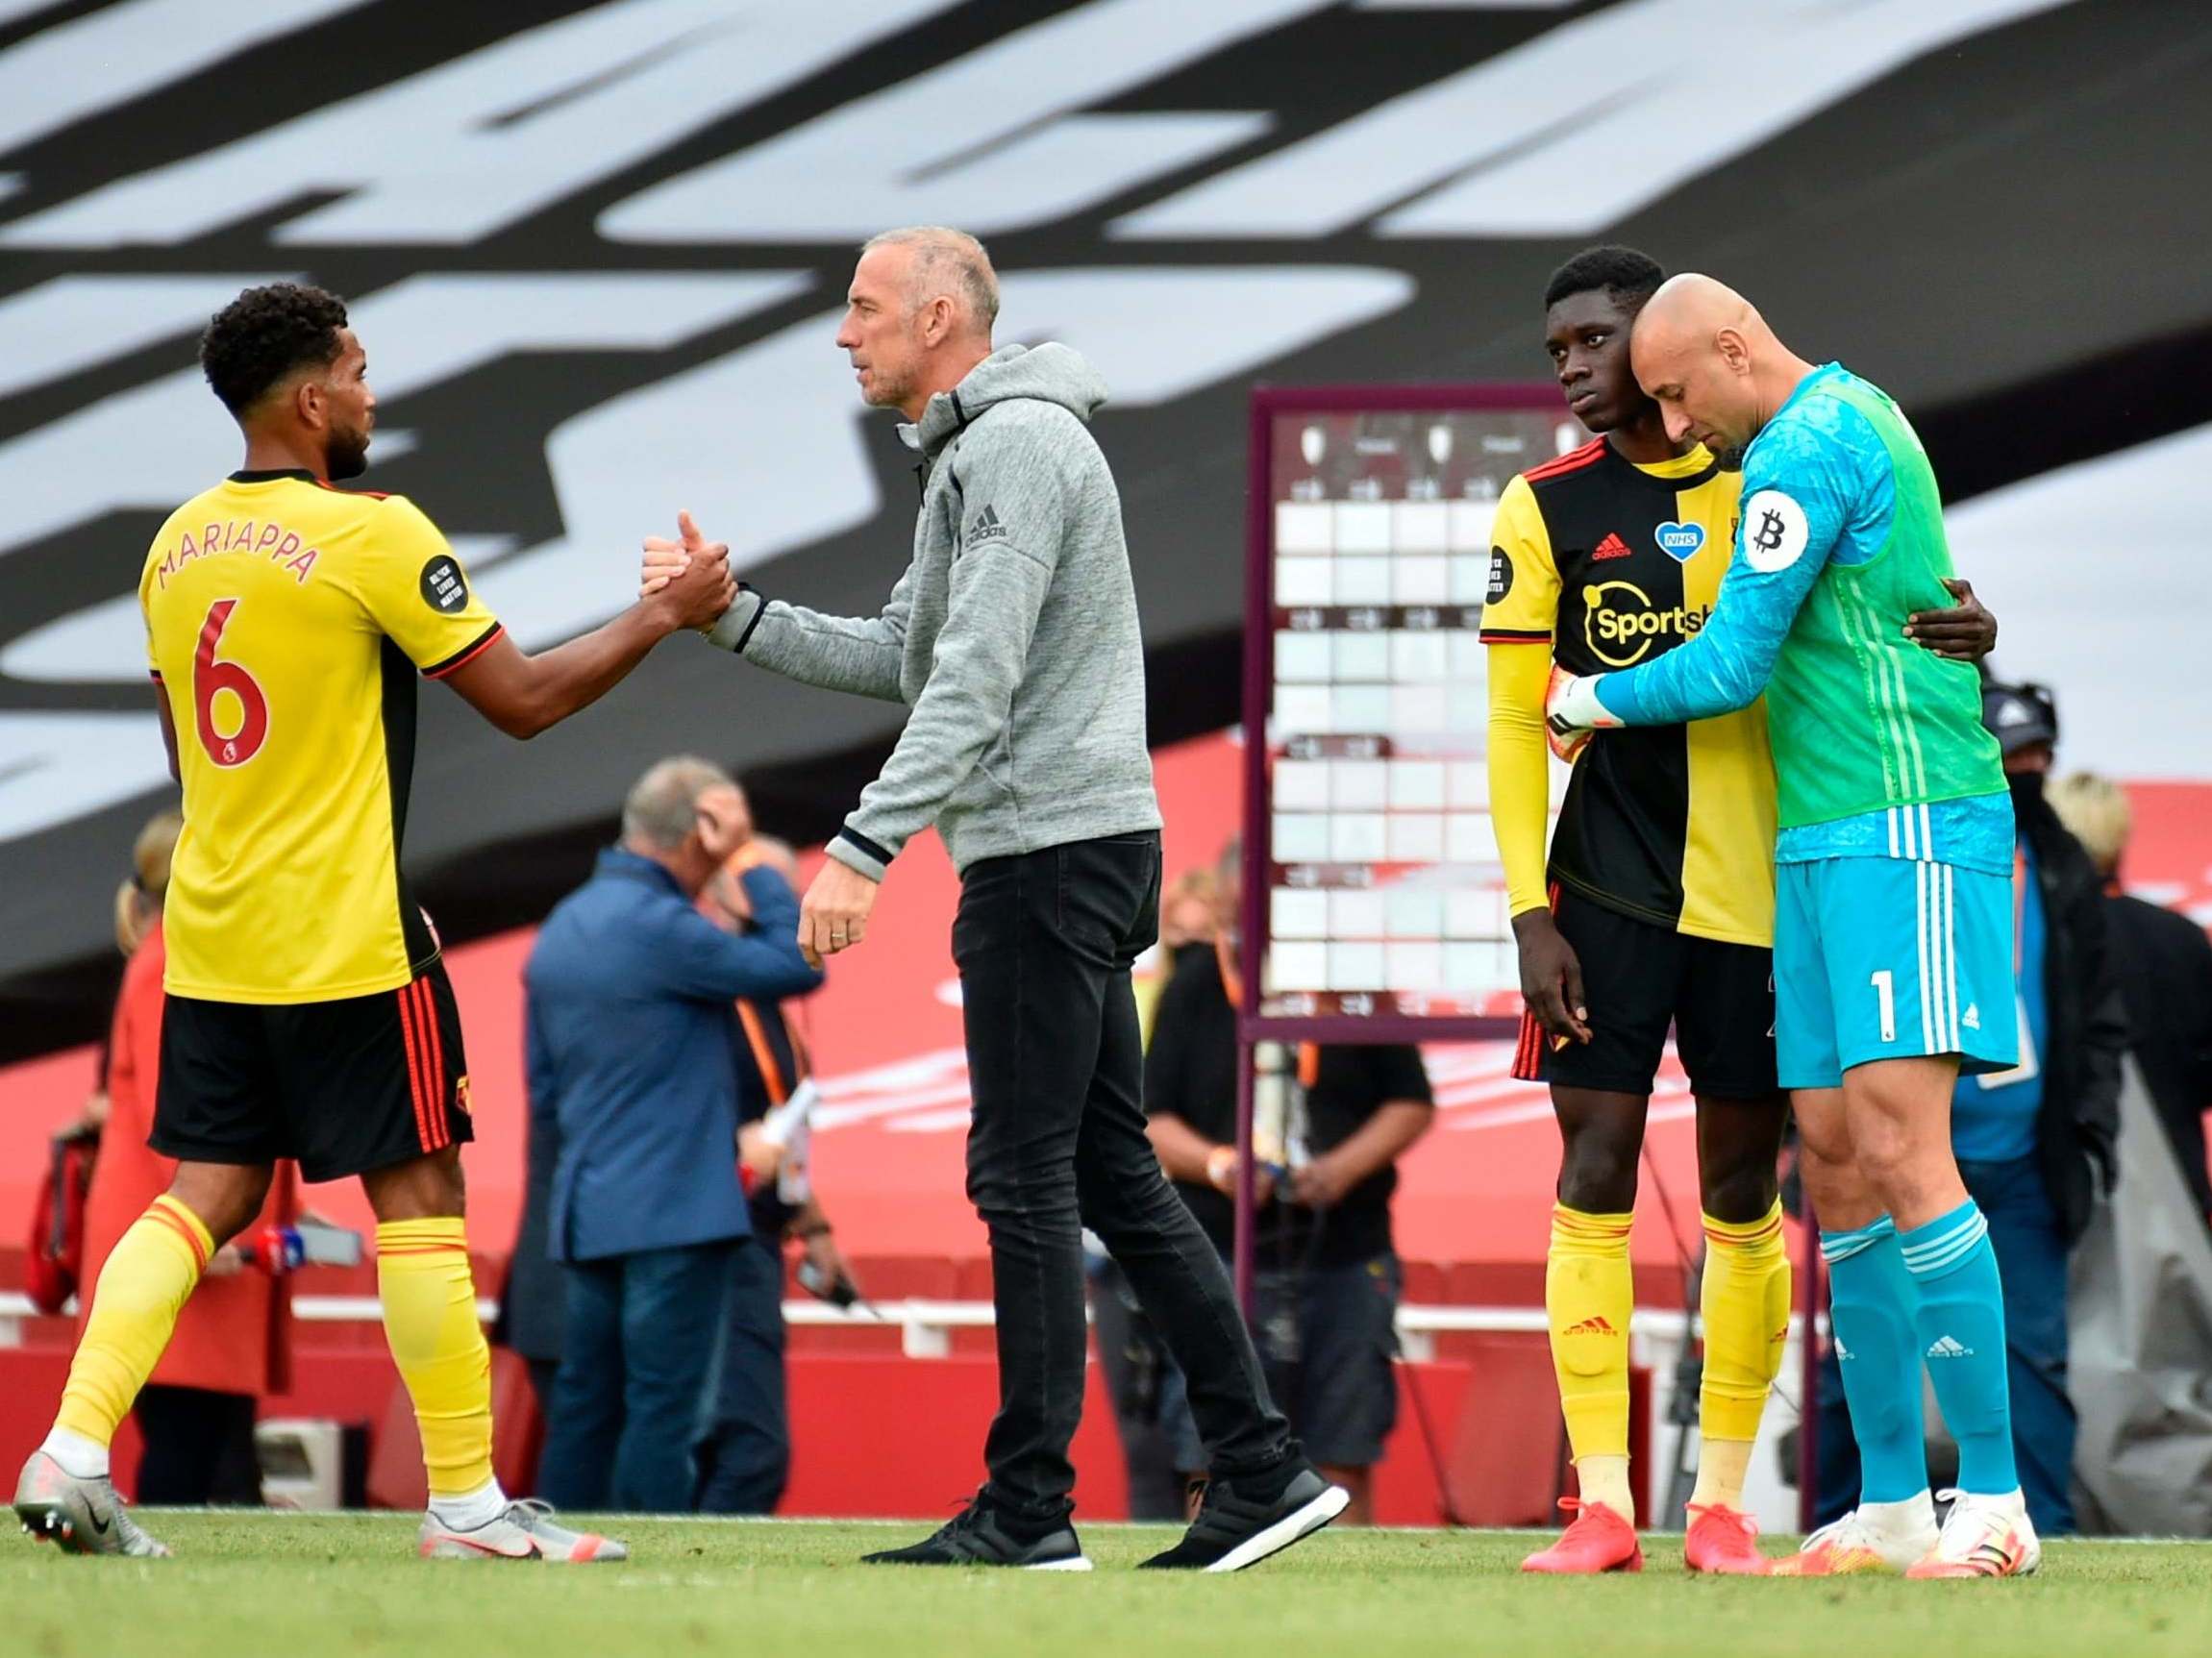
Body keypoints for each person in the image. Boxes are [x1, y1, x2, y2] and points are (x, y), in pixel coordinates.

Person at [642, 226, 1340, 1571]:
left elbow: (971, 680)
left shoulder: (1013, 447)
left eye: (862, 309)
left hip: (1046, 854)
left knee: (1020, 1176)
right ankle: (1261, 1466)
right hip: (1074, 844)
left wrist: (860, 845)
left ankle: (1030, 1510)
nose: (844, 335)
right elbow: (907, 656)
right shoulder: (977, 450)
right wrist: (728, 615)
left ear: (941, 314)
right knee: (1107, 1176)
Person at [12, 281, 735, 1562]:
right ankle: (464, 1503)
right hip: (347, 932)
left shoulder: (174, 546)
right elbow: (519, 697)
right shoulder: (373, 532)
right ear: (309, 398)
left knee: (205, 1193)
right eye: (355, 367)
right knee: (421, 1187)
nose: (370, 389)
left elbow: (192, 760)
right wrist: (665, 614)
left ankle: (68, 1449)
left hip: (219, 935)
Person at [1482, 247, 1997, 1574]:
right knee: (1670, 1167)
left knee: (1784, 1178)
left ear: (1693, 349)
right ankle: (1618, 1503)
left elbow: (1812, 630)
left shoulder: (1775, 455)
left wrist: (1977, 627)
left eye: (1610, 351)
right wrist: (1525, 903)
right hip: (1629, 877)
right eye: (1565, 358)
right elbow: (1502, 717)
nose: (1598, 386)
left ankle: (1755, 1504)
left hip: (1797, 867)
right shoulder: (1543, 507)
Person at [1812, 679, 2124, 1537]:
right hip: (1903, 1139)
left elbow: (2098, 1013)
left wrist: (2090, 1133)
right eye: (2008, 752)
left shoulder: (2057, 861)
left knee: (2032, 1356)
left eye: (2036, 758)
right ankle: (1861, 1511)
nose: (2022, 770)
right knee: (1859, 1349)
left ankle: (2029, 1520)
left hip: (2022, 1155)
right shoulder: (1897, 835)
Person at [528, 758, 821, 1513]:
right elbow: (795, 961)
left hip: (586, 1209)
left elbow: (545, 1093)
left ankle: (561, 1561)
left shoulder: (563, 926)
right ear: (701, 834)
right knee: (664, 1411)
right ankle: (642, 1567)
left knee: (588, 1405)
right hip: (678, 1215)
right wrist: (750, 860)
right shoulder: (662, 926)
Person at [1144, 841, 1434, 1526]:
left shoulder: (1351, 976)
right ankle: (1207, 1558)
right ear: (1219, 903)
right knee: (1207, 1444)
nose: (1256, 925)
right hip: (1218, 1246)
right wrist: (1220, 1164)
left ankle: (1354, 1592)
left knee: (1343, 1441)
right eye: (1241, 909)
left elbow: (1409, 1100)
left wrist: (1340, 1168)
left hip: (1343, 1245)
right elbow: (1149, 1117)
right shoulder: (1192, 984)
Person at [81, 809, 300, 1505]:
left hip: (197, 1234)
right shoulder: (174, 960)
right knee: (187, 1438)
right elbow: (166, 1115)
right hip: (190, 1237)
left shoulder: (179, 953)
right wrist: (207, 1227)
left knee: (208, 1436)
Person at [692, 831, 851, 1516]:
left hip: (755, 1231)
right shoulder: (702, 986)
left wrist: (814, 1228)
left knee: (740, 1440)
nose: (790, 908)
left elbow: (778, 1126)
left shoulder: (767, 1006)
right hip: (713, 1234)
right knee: (746, 1443)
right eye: (770, 890)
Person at [2050, 771, 2212, 1228]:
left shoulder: (2043, 941)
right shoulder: (2180, 936)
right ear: (2120, 838)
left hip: (2070, 1183)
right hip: (2176, 1183)